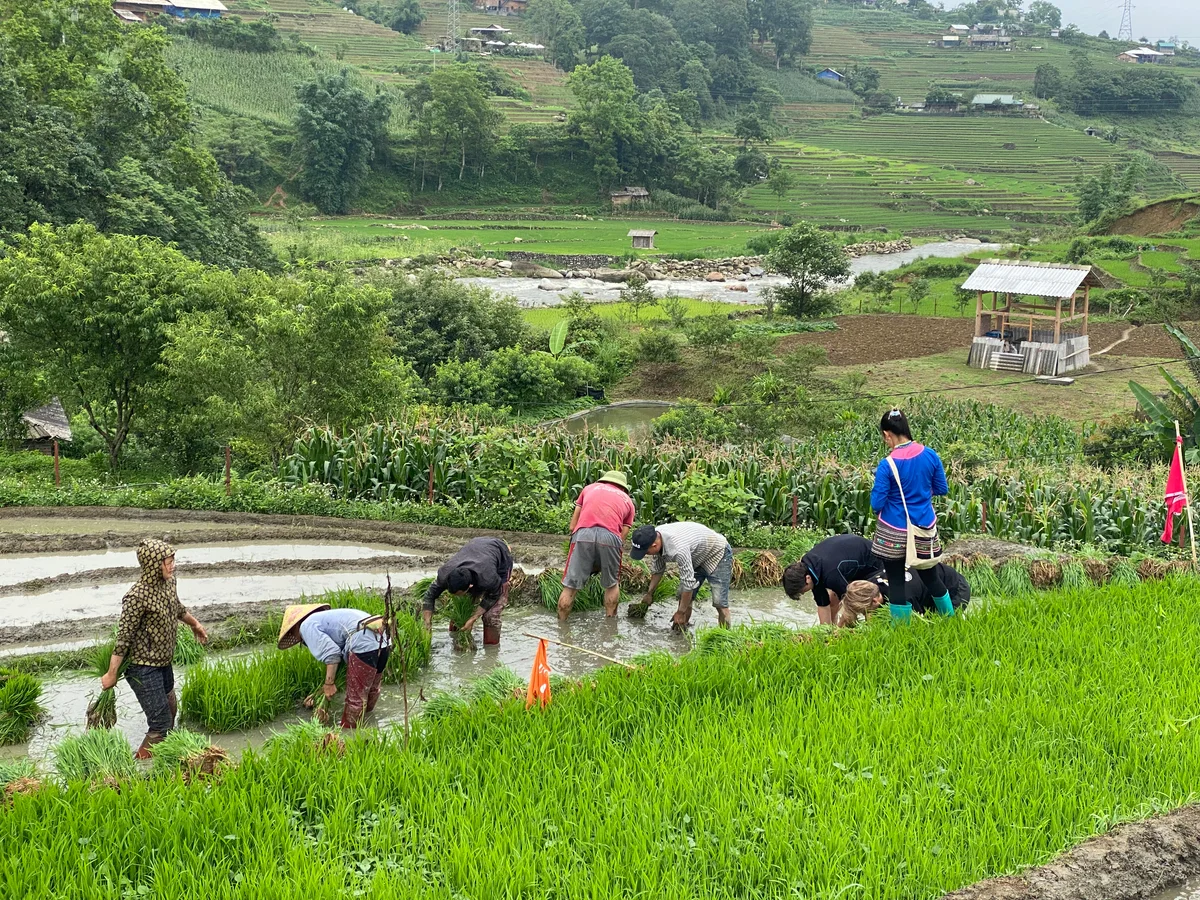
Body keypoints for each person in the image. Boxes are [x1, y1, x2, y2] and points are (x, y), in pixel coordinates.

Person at [99, 539, 209, 758]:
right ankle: (140, 766)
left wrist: (195, 624)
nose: (173, 566)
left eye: (173, 560)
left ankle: (166, 754)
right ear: (153, 564)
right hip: (142, 666)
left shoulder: (169, 583)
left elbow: (177, 607)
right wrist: (111, 674)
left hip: (163, 661)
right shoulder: (136, 597)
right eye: (168, 562)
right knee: (160, 723)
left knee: (170, 708)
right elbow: (123, 638)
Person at [870, 408, 953, 623]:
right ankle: (950, 620)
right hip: (923, 528)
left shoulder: (887, 464)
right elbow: (942, 488)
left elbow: (876, 503)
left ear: (887, 434)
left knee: (896, 581)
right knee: (931, 576)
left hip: (893, 531)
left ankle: (901, 630)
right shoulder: (930, 454)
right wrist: (921, 494)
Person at [277, 603, 391, 729]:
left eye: (293, 634)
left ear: (295, 626)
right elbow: (340, 660)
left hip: (362, 642)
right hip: (384, 639)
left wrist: (329, 684)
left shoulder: (305, 626)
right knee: (372, 689)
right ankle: (370, 725)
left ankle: (350, 736)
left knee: (356, 700)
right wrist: (319, 692)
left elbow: (332, 654)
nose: (299, 640)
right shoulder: (324, 619)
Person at [558, 471, 636, 621]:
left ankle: (562, 627)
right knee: (612, 584)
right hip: (611, 537)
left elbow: (572, 526)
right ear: (623, 488)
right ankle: (610, 625)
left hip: (583, 535)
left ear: (603, 481)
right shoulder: (628, 501)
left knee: (570, 587)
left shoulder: (589, 488)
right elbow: (622, 537)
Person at [629, 522, 733, 629]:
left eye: (646, 552)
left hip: (717, 554)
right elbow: (658, 570)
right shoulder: (654, 537)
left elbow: (688, 585)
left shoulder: (678, 549)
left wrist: (680, 612)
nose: (646, 555)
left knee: (719, 602)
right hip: (696, 555)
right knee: (682, 596)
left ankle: (725, 636)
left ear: (654, 545)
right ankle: (682, 631)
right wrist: (649, 593)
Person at [422, 537, 513, 645]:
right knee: (462, 607)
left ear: (470, 586)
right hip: (475, 547)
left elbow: (493, 595)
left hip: (499, 556)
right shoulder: (445, 575)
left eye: (460, 593)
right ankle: (455, 638)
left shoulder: (489, 578)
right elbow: (429, 596)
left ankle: (491, 649)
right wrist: (427, 623)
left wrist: (474, 618)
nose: (458, 596)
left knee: (491, 615)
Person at [781, 534, 880, 626]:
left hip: (873, 562)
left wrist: (839, 629)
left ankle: (870, 630)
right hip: (850, 562)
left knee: (866, 601)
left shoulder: (830, 574)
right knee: (833, 598)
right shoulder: (810, 567)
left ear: (807, 579)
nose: (803, 593)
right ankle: (830, 630)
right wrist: (825, 632)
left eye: (802, 591)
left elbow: (851, 604)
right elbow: (822, 603)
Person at [837, 563, 971, 628]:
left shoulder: (905, 599)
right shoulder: (870, 585)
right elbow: (854, 605)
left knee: (941, 626)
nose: (866, 615)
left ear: (876, 600)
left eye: (865, 612)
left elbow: (916, 627)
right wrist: (839, 630)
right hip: (925, 585)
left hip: (954, 589)